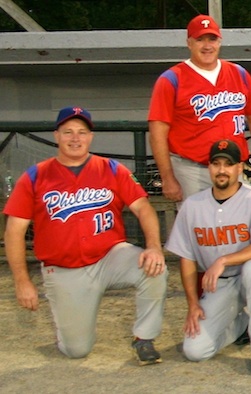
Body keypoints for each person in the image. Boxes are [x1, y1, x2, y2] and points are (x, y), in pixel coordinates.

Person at [4, 107, 167, 364]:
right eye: (68, 132)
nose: (75, 138)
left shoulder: (112, 169)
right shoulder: (35, 176)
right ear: (56, 136)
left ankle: (144, 338)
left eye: (82, 132)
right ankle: (71, 323)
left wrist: (154, 246)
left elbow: (143, 208)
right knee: (76, 350)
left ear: (90, 137)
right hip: (64, 269)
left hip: (109, 257)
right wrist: (22, 281)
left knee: (154, 267)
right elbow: (14, 231)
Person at [166, 139, 251, 375]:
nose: (221, 170)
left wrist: (223, 260)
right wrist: (192, 304)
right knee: (195, 350)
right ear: (208, 168)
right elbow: (186, 258)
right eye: (216, 164)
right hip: (219, 286)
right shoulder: (192, 205)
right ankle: (242, 325)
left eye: (228, 164)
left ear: (239, 168)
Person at [149, 14, 251, 202]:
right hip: (191, 169)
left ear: (219, 42)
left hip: (234, 168)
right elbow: (157, 133)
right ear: (189, 43)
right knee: (197, 227)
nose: (207, 46)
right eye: (200, 39)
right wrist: (167, 177)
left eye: (212, 39)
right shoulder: (171, 79)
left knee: (241, 224)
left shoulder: (239, 74)